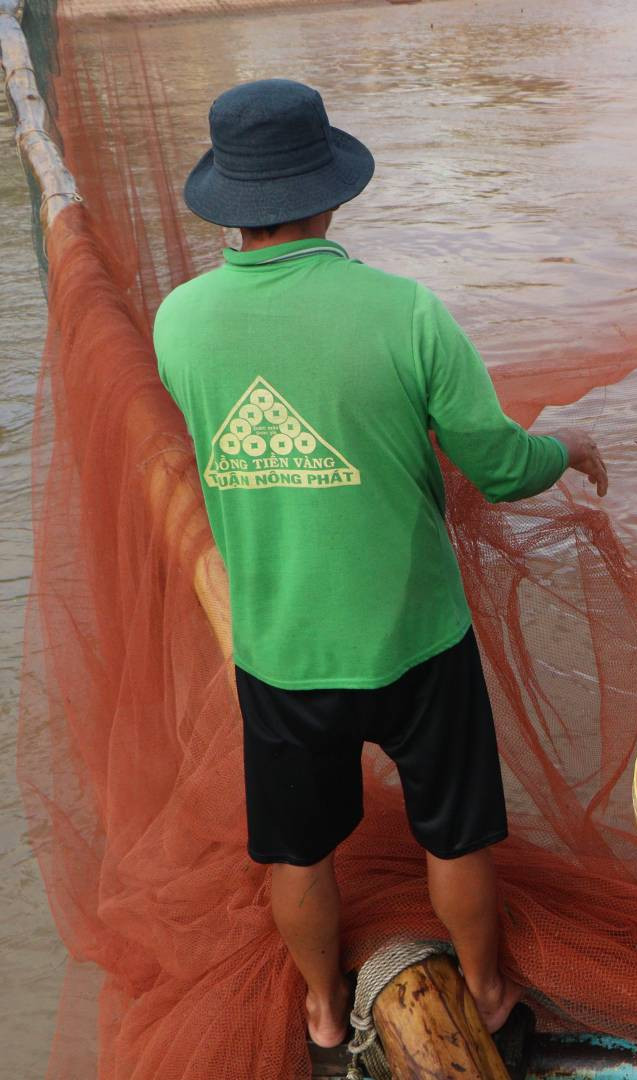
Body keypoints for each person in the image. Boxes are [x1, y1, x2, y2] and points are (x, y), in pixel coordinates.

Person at [154, 79, 608, 1048]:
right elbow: (497, 463)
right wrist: (566, 447)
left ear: (231, 202)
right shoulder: (406, 314)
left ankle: (323, 1016)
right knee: (456, 834)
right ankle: (485, 994)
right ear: (329, 192)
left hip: (279, 651)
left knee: (300, 851)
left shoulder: (178, 323)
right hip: (416, 638)